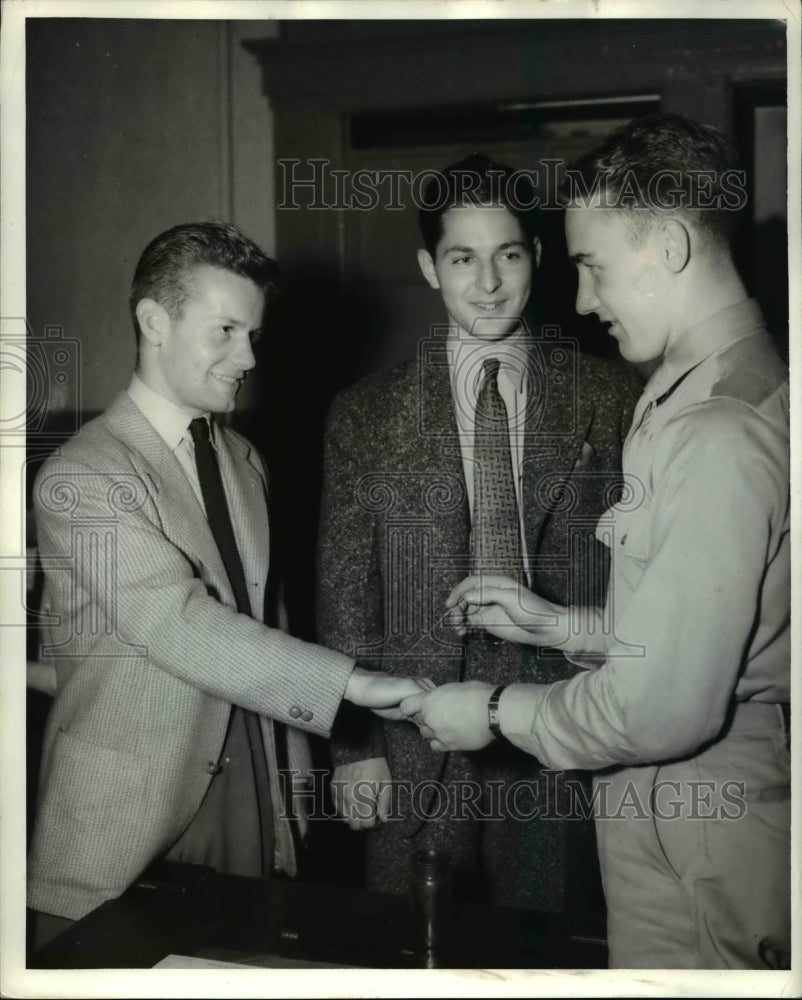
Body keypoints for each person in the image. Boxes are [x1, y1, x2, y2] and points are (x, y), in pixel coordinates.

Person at [402, 115, 791, 969]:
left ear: (674, 248)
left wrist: (498, 712)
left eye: (592, 265)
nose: (580, 301)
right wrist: (558, 626)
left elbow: (665, 706)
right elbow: (692, 631)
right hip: (673, 815)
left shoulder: (718, 429)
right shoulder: (699, 395)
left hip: (699, 829)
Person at [28, 222, 425, 945]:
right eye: (225, 331)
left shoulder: (244, 459)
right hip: (130, 822)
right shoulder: (82, 476)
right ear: (153, 321)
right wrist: (353, 687)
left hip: (261, 804)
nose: (246, 357)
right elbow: (174, 620)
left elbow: (265, 620)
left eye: (254, 334)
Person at [317, 155, 641, 912]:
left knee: (558, 959)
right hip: (413, 745)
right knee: (413, 957)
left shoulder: (614, 394)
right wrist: (354, 748)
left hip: (563, 739)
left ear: (539, 256)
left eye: (508, 255)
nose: (488, 283)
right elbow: (343, 587)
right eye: (463, 258)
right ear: (431, 267)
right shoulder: (364, 414)